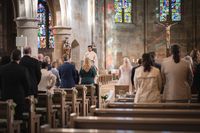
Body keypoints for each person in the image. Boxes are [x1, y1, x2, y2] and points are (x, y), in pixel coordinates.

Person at [0, 49, 32, 120]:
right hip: (19, 99)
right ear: (20, 58)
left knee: (6, 117)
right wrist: (26, 94)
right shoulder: (23, 69)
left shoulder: (2, 69)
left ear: (11, 58)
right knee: (18, 118)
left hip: (5, 98)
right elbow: (27, 85)